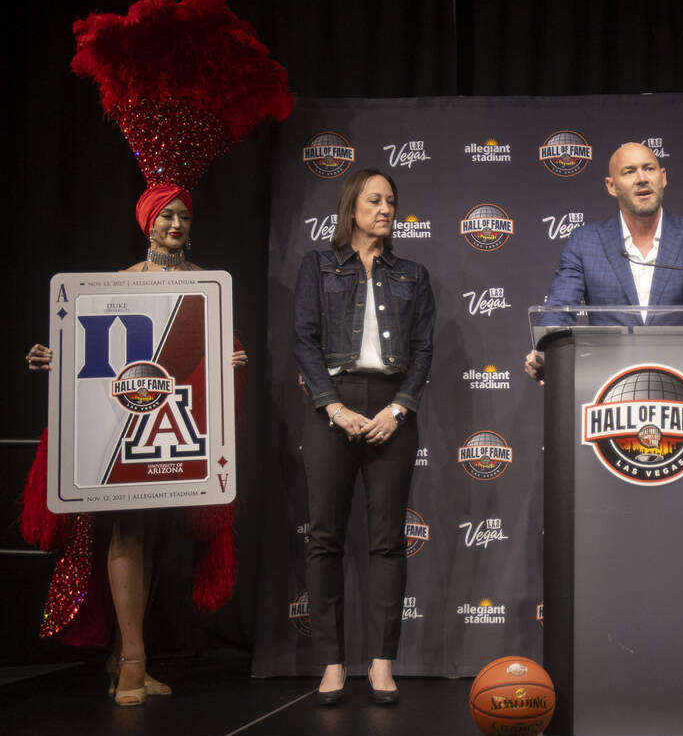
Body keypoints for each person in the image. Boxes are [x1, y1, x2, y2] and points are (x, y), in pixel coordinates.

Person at [24, 186, 248, 706]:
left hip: (174, 433)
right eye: (166, 215)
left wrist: (231, 359)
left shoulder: (207, 285)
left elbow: (208, 362)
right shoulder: (119, 282)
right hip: (123, 432)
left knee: (153, 541)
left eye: (184, 215)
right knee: (128, 533)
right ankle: (132, 664)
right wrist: (55, 358)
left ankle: (124, 657)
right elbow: (94, 352)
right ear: (148, 222)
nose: (176, 224)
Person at [293, 169, 435, 705]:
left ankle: (380, 665)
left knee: (387, 542)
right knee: (325, 538)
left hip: (391, 407)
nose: (386, 209)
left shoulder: (413, 274)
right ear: (351, 206)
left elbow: (423, 350)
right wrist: (332, 406)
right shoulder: (318, 265)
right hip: (332, 403)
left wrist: (398, 409)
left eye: (391, 201)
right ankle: (332, 664)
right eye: (375, 200)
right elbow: (304, 340)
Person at [523, 142, 683, 382]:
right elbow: (558, 310)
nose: (641, 178)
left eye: (649, 168)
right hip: (606, 384)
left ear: (663, 177)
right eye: (629, 171)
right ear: (611, 186)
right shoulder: (585, 242)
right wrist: (545, 351)